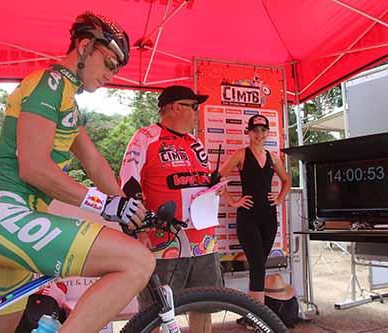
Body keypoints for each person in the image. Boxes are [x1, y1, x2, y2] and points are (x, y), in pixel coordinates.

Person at [0, 12, 155, 333]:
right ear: (84, 46)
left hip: (3, 224)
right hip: (10, 216)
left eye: (119, 68)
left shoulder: (67, 101)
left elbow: (93, 162)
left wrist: (129, 210)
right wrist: (106, 205)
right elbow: (34, 168)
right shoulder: (48, 85)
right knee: (138, 262)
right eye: (110, 63)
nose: (114, 73)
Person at [119, 85, 223, 332]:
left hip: (203, 241)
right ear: (176, 107)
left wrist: (214, 186)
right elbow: (128, 183)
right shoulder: (145, 137)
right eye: (194, 106)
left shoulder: (196, 143)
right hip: (163, 243)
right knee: (155, 313)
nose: (198, 113)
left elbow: (199, 182)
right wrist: (138, 232)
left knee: (204, 306)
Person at [220, 114, 291, 304]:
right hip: (248, 218)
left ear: (268, 133)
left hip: (268, 218)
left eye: (263, 130)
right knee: (258, 266)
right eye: (255, 131)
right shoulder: (241, 154)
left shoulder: (273, 157)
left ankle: (255, 316)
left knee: (258, 266)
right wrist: (233, 202)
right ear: (248, 132)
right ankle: (257, 317)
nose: (259, 134)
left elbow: (286, 180)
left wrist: (279, 199)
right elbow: (217, 179)